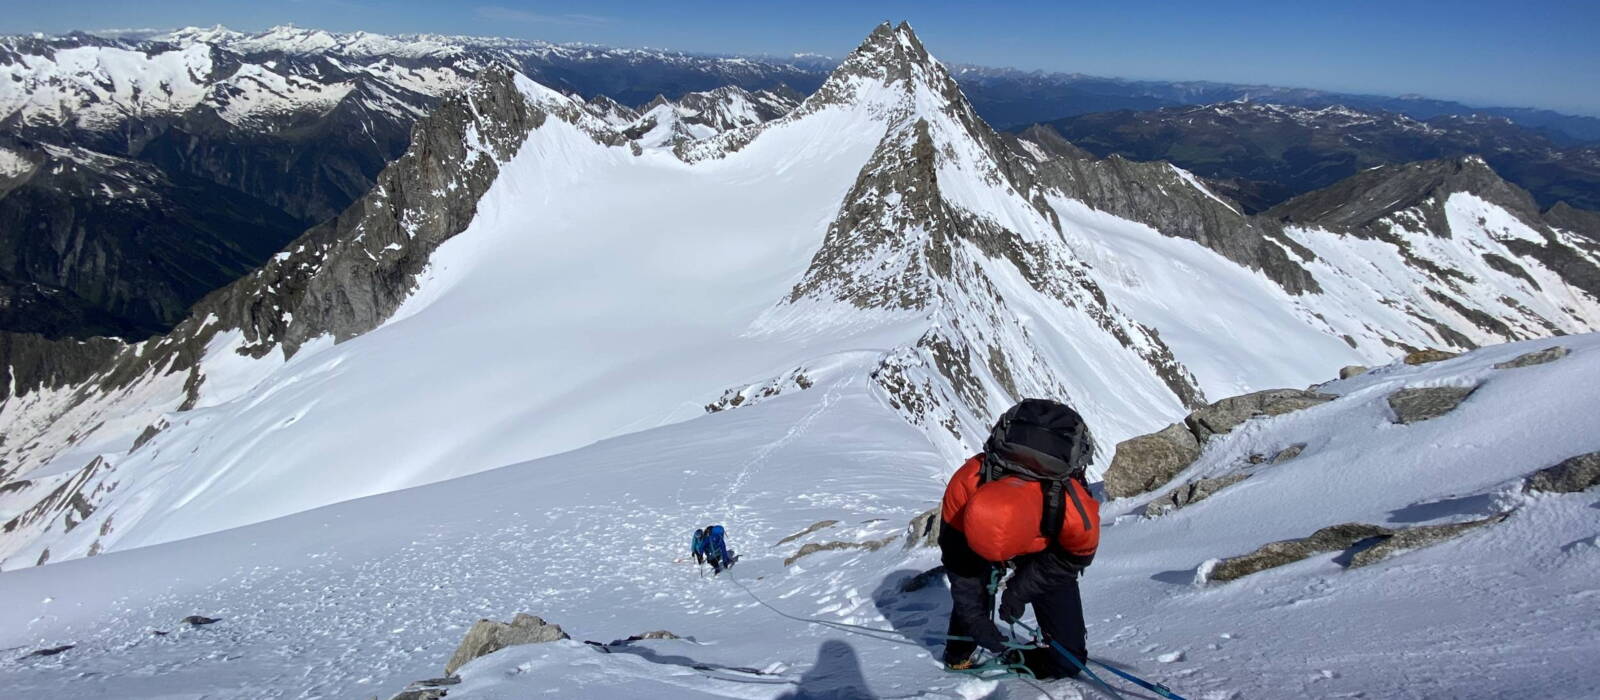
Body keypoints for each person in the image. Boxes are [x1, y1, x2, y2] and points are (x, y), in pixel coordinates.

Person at [938, 399, 1100, 680]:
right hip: (976, 537)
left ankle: (1025, 658)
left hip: (1047, 552)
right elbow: (960, 566)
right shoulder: (965, 486)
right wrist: (976, 620)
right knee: (972, 589)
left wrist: (1019, 590)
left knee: (1069, 660)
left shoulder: (1074, 513)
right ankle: (958, 655)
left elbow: (1067, 561)